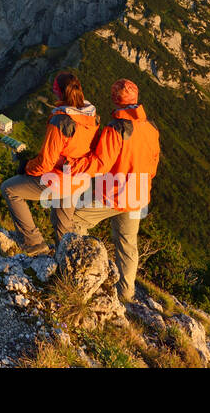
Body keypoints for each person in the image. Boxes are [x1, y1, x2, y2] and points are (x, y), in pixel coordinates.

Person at [60, 78, 161, 303]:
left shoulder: (116, 129)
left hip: (112, 195)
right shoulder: (151, 127)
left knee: (75, 222)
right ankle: (126, 294)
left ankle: (81, 272)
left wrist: (70, 166)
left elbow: (100, 164)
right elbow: (153, 163)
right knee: (127, 246)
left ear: (115, 99)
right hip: (139, 195)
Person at [0, 72, 98, 256]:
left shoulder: (60, 121)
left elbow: (45, 163)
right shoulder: (92, 117)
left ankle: (33, 243)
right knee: (62, 227)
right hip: (77, 179)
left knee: (10, 189)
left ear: (58, 91)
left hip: (58, 179)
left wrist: (26, 166)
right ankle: (67, 265)